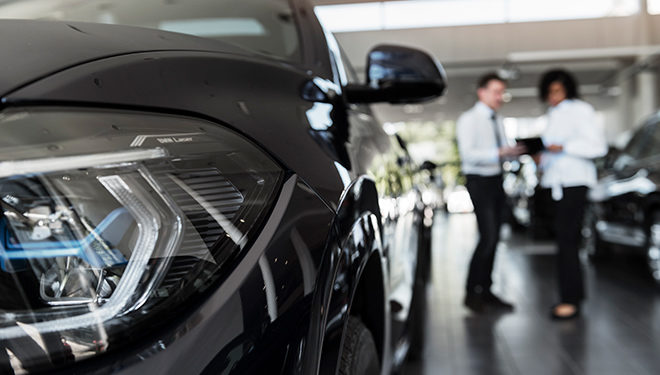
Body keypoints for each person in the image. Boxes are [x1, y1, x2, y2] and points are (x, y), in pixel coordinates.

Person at [536, 69, 607, 320]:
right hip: (557, 184)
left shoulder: (581, 110)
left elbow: (598, 147)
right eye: (550, 91)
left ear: (568, 89)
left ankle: (571, 300)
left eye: (558, 90)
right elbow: (550, 155)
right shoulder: (552, 115)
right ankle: (572, 296)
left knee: (568, 240)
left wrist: (564, 147)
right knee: (564, 241)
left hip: (575, 183)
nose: (553, 96)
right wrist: (540, 158)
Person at [456, 73, 525, 313]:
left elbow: (502, 151)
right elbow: (468, 155)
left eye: (501, 92)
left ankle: (485, 290)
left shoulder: (498, 119)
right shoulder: (468, 120)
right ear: (481, 92)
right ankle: (470, 292)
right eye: (496, 92)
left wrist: (513, 151)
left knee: (495, 238)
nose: (500, 97)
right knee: (488, 236)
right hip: (478, 181)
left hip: (496, 180)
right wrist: (498, 152)